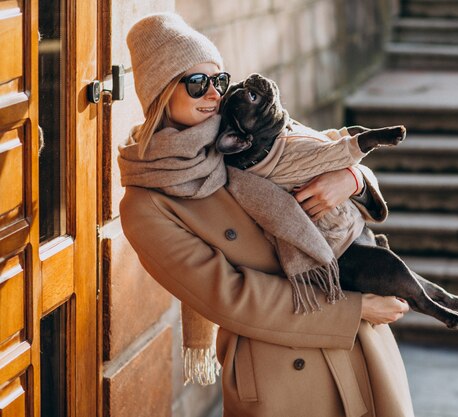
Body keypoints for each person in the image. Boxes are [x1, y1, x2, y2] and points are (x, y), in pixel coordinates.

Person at [118, 12, 414, 417]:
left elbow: (325, 148)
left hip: (362, 345)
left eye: (219, 80)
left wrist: (352, 179)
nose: (214, 95)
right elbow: (230, 298)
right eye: (196, 83)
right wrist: (354, 310)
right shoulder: (146, 205)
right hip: (285, 367)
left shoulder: (245, 135)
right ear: (160, 93)